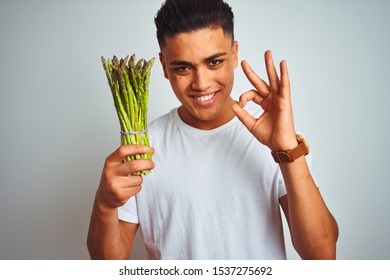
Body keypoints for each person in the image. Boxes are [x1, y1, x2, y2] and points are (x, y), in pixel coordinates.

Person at [87, 0, 338, 260]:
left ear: (234, 53)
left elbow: (321, 254)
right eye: (183, 68)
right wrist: (104, 205)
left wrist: (287, 150)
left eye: (214, 62)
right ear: (163, 66)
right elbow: (109, 266)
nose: (202, 83)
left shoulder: (279, 139)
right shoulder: (142, 148)